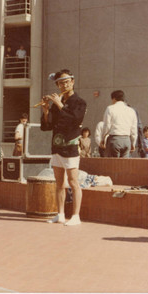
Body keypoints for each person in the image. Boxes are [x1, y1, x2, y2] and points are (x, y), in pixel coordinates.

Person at [40, 69, 87, 226]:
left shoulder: (79, 102)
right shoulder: (57, 102)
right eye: (60, 83)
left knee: (73, 181)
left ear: (72, 82)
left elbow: (75, 120)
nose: (64, 85)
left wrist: (60, 105)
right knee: (59, 182)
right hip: (57, 146)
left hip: (71, 147)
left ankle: (76, 216)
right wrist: (46, 111)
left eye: (66, 82)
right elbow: (48, 126)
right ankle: (60, 214)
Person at [100, 90, 138, 158]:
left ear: (114, 98)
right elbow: (134, 129)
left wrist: (103, 139)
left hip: (114, 139)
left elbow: (107, 126)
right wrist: (133, 143)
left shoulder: (110, 108)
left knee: (113, 166)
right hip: (127, 140)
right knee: (124, 165)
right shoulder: (131, 111)